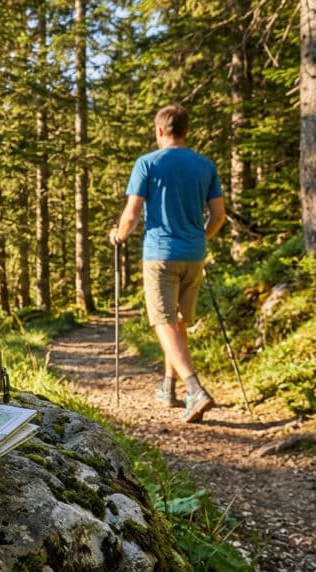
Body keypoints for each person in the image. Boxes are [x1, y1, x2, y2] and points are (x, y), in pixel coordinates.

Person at [109, 105, 225, 423]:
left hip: (160, 253)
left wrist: (118, 236)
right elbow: (218, 216)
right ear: (185, 130)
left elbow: (132, 214)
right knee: (178, 324)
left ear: (159, 131)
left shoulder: (148, 163)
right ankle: (168, 386)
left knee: (162, 322)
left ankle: (195, 389)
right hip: (194, 253)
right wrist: (201, 238)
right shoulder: (204, 165)